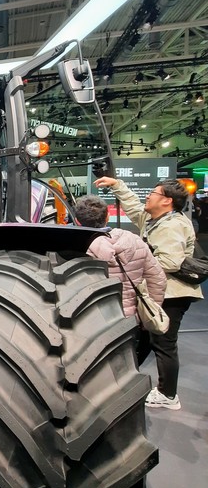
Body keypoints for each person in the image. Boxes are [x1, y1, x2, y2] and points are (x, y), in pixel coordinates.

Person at [94, 176, 203, 410]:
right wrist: (117, 185)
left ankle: (168, 394)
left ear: (167, 200)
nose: (148, 196)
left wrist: (138, 262)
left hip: (173, 293)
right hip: (159, 291)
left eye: (153, 193)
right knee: (145, 338)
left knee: (164, 343)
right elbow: (133, 206)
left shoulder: (173, 225)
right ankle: (125, 379)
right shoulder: (155, 220)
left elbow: (170, 262)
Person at [74, 195, 166, 321]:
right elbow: (158, 280)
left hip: (89, 320)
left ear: (77, 221)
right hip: (131, 319)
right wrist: (150, 314)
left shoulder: (74, 247)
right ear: (108, 217)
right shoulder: (135, 241)